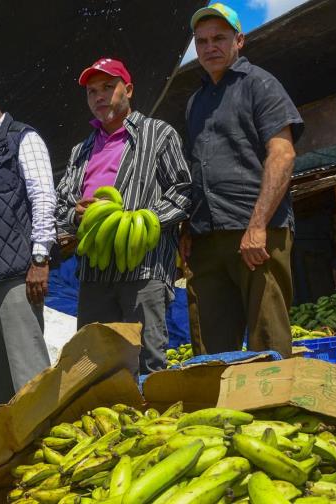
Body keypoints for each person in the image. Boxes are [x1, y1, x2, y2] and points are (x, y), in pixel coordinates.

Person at [180, 3, 304, 358]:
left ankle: (274, 408)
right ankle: (221, 412)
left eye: (219, 38)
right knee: (210, 345)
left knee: (267, 339)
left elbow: (282, 155)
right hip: (207, 237)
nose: (209, 47)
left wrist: (258, 224)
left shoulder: (260, 85)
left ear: (240, 40)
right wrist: (189, 226)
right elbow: (196, 166)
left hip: (256, 234)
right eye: (201, 41)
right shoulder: (196, 101)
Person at [55, 57, 192, 374]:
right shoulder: (82, 150)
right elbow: (61, 202)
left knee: (146, 358)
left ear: (127, 89)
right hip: (94, 272)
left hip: (143, 268)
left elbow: (183, 190)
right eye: (91, 91)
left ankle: (150, 422)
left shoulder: (159, 135)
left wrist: (143, 222)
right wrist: (76, 214)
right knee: (94, 360)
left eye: (107, 87)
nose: (99, 96)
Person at [0, 79, 53, 402]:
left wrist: (40, 259)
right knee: (1, 374)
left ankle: (45, 439)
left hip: (17, 274)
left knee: (29, 369)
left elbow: (43, 198)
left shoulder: (22, 137)